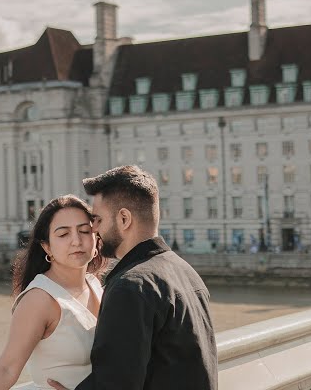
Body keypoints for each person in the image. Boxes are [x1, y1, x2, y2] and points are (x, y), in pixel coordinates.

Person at [48, 165, 217, 390]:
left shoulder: (131, 286)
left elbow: (116, 383)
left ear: (124, 219)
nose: (93, 228)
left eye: (97, 219)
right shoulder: (186, 272)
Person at [0, 195, 105, 390]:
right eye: (63, 234)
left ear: (96, 240)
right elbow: (6, 368)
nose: (76, 241)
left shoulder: (95, 285)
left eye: (84, 231)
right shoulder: (40, 299)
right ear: (47, 247)